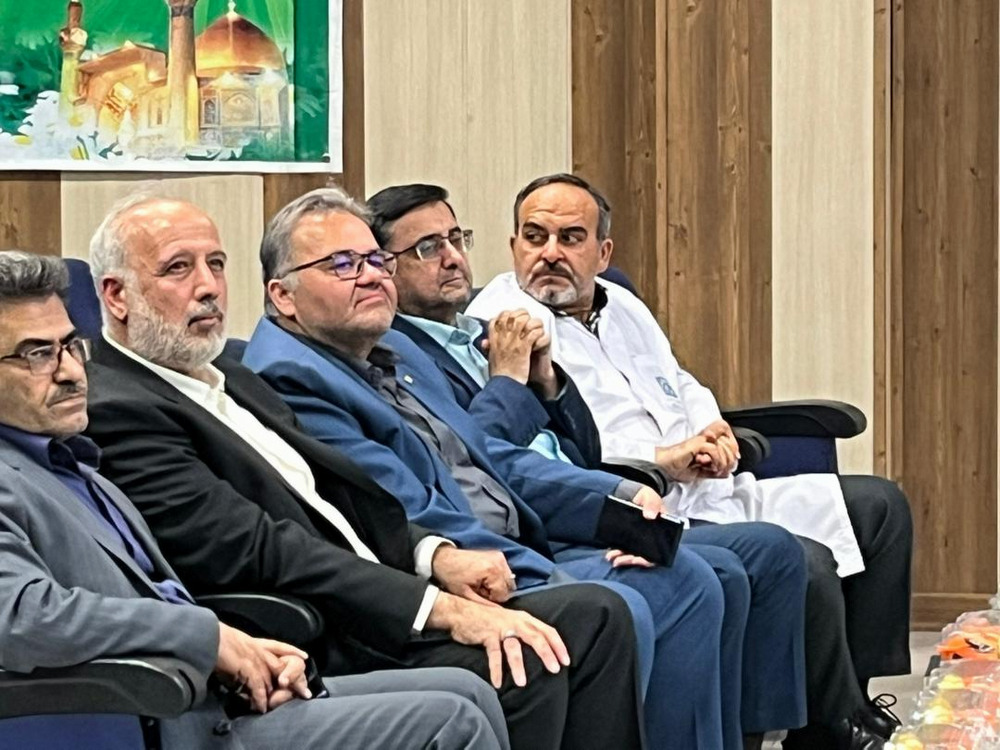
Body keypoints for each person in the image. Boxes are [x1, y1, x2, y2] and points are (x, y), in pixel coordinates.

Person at [245, 186, 812, 750]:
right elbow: (400, 512)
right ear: (283, 295)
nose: (371, 276)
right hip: (453, 573)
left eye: (374, 260)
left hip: (519, 529)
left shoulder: (388, 350)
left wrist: (616, 500)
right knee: (638, 599)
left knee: (705, 572)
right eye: (344, 264)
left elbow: (491, 459)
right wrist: (546, 563)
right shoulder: (297, 377)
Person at [80, 195, 646, 750]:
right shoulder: (120, 409)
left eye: (217, 264)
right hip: (319, 626)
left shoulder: (227, 367)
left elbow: (344, 491)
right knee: (528, 657)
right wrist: (438, 608)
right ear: (117, 295)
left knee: (596, 615)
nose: (208, 286)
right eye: (178, 269)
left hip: (382, 582)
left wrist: (433, 555)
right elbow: (258, 548)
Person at [467, 172, 915, 750]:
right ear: (513, 246)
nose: (550, 253)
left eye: (570, 238)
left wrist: (713, 429)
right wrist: (664, 459)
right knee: (804, 560)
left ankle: (857, 698)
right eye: (535, 236)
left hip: (707, 482)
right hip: (642, 495)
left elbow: (678, 380)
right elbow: (547, 448)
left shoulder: (620, 303)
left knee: (880, 506)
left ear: (602, 253)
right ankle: (828, 728)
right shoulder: (507, 323)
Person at [0, 250, 510, 750]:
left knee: (465, 690)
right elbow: (22, 615)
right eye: (37, 354)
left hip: (214, 693)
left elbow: (151, 595)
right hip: (158, 716)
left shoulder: (74, 464)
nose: (71, 372)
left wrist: (246, 654)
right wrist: (210, 640)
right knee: (452, 719)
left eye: (70, 346)